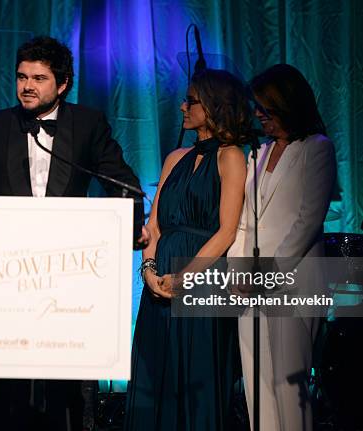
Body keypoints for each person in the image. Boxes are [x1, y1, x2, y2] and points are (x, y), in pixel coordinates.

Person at [0, 36, 147, 431]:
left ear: (63, 83)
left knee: (66, 392)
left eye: (38, 77)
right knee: (8, 392)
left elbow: (124, 184)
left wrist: (133, 224)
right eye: (21, 77)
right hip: (7, 276)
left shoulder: (88, 123)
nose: (27, 86)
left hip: (67, 280)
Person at [125, 68, 252, 430]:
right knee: (155, 374)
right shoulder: (174, 158)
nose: (182, 106)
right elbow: (155, 226)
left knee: (197, 380)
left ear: (213, 107)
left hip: (202, 280)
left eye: (191, 100)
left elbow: (226, 231)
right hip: (161, 281)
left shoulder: (231, 157)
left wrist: (184, 278)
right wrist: (149, 272)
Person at [227, 64, 337, 431]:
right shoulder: (258, 153)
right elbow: (244, 219)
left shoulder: (316, 149)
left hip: (292, 283)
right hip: (251, 287)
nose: (259, 115)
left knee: (288, 386)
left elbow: (307, 222)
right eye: (256, 107)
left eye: (266, 108)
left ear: (287, 105)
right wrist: (238, 271)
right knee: (256, 386)